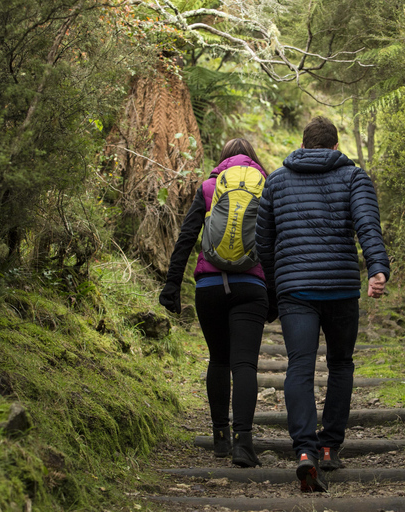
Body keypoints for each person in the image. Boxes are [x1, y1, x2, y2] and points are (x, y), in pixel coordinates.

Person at [255, 116, 390, 492]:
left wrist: (275, 283)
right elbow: (368, 226)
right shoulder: (353, 177)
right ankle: (330, 446)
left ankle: (304, 451)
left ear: (303, 144)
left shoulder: (277, 180)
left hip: (295, 291)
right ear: (334, 147)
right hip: (342, 289)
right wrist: (377, 268)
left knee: (299, 366)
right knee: (341, 365)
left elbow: (262, 242)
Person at [159, 138, 271, 468]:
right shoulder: (267, 186)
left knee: (219, 360)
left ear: (222, 161)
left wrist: (171, 286)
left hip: (208, 285)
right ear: (253, 159)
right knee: (245, 365)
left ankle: (220, 439)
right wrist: (276, 295)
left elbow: (186, 237)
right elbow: (272, 244)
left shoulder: (209, 186)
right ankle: (244, 443)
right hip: (251, 285)